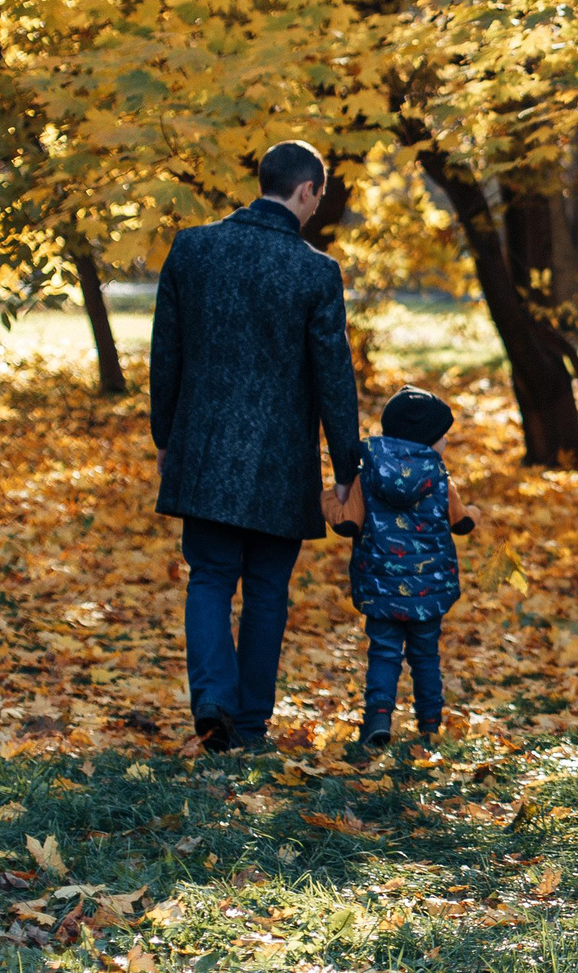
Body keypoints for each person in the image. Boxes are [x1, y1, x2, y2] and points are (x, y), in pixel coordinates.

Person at [149, 141, 361, 752]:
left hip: (205, 448)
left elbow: (167, 354)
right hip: (281, 460)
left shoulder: (192, 250)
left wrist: (166, 436)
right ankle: (249, 722)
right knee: (267, 588)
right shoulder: (315, 270)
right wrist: (344, 466)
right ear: (307, 192)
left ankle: (212, 698)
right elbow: (333, 377)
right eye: (319, 197)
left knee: (211, 576)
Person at [326, 387, 477, 748]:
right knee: (425, 655)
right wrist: (476, 515)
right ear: (428, 440)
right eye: (442, 436)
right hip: (429, 592)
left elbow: (347, 521)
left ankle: (378, 719)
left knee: (383, 653)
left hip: (381, 590)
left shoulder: (368, 475)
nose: (445, 442)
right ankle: (429, 723)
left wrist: (329, 498)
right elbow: (461, 521)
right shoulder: (441, 478)